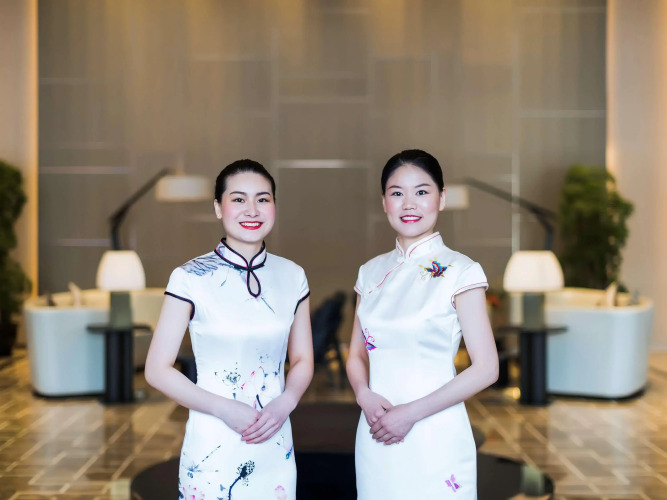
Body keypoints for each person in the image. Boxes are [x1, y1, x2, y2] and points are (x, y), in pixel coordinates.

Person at [145, 159, 313, 500]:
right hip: (214, 440)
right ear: (218, 208)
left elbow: (303, 359)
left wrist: (286, 402)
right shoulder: (189, 277)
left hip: (275, 437)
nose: (252, 209)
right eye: (238, 199)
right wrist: (224, 409)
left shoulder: (292, 275)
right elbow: (156, 370)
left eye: (263, 199)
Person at [346, 149, 498, 499]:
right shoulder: (369, 273)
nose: (409, 204)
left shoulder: (461, 271)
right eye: (397, 193)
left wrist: (409, 414)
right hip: (375, 430)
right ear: (384, 202)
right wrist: (364, 395)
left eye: (422, 191)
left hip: (435, 433)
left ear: (441, 199)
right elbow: (356, 354)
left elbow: (487, 368)